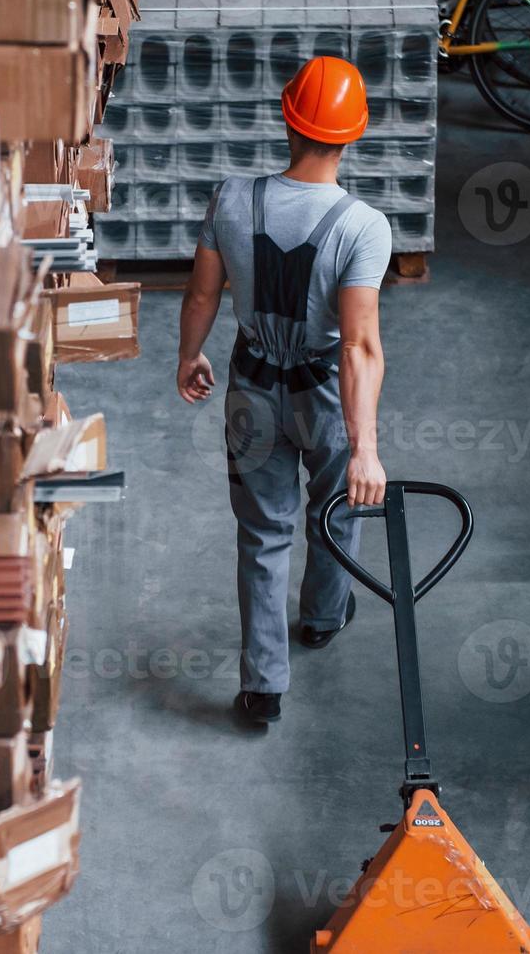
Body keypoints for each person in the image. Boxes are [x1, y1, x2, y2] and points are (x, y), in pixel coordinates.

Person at [176, 55, 391, 726]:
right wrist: (365, 450)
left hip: (250, 385)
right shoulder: (362, 227)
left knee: (262, 533)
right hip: (323, 391)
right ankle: (324, 616)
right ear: (352, 136)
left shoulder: (231, 198)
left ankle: (263, 687)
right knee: (335, 509)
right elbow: (358, 345)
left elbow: (202, 291)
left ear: (286, 120)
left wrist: (189, 356)